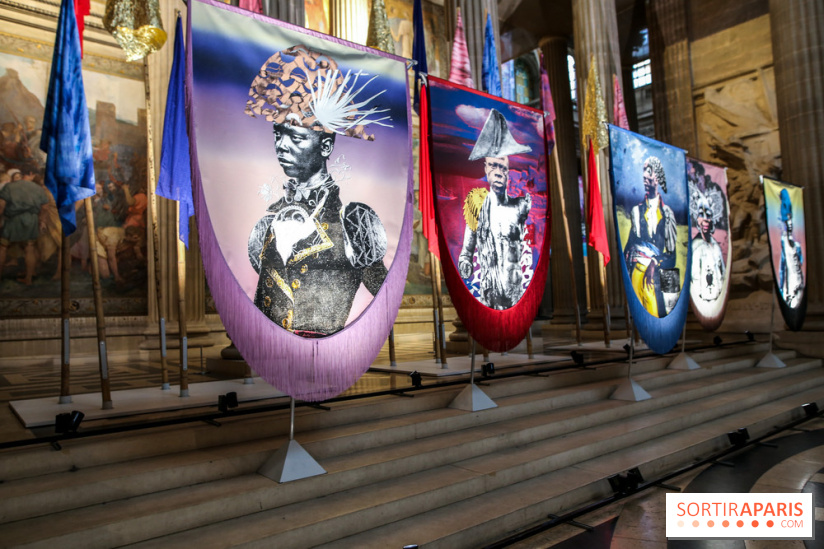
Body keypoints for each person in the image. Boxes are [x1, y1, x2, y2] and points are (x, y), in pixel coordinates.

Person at [245, 45, 392, 337]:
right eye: (278, 134)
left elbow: (384, 297)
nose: (282, 146)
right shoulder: (266, 225)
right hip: (269, 359)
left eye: (296, 137)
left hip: (328, 356)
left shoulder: (353, 222)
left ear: (325, 146)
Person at [458, 109, 532, 310]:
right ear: (485, 168)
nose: (498, 172)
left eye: (503, 167)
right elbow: (466, 251)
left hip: (516, 292)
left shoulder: (521, 205)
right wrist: (465, 264)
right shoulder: (477, 207)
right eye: (493, 166)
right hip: (489, 292)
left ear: (508, 172)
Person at [624, 156, 678, 318]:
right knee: (640, 315)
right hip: (637, 271)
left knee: (659, 314)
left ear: (658, 177)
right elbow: (629, 246)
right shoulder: (636, 211)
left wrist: (654, 263)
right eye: (644, 172)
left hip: (657, 275)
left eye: (649, 171)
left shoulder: (667, 213)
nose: (645, 176)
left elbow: (671, 255)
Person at [0, 173, 49, 284]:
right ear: (31, 174)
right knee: (29, 247)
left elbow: (1, 206)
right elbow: (45, 208)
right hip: (31, 219)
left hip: (13, 219)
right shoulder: (38, 188)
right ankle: (28, 278)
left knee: (3, 247)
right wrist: (42, 221)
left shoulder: (9, 187)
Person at [689, 186, 725, 304]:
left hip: (717, 297)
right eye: (701, 216)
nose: (705, 220)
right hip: (703, 298)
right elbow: (694, 275)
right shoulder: (696, 246)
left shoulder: (716, 247)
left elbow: (722, 271)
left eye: (708, 216)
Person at [778, 188, 803, 308]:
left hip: (798, 281)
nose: (790, 225)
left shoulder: (797, 245)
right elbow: (782, 268)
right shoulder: (784, 244)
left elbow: (801, 261)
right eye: (787, 223)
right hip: (790, 284)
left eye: (791, 223)